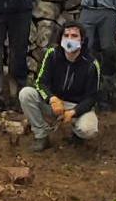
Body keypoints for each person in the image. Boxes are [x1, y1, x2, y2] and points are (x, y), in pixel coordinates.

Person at [19, 21, 100, 152]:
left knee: (89, 130)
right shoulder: (52, 54)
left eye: (74, 36)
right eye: (66, 35)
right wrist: (52, 99)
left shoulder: (91, 64)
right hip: (53, 103)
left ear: (82, 40)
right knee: (26, 94)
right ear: (60, 38)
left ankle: (77, 134)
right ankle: (41, 135)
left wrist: (74, 112)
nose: (70, 39)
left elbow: (92, 97)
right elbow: (40, 82)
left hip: (76, 105)